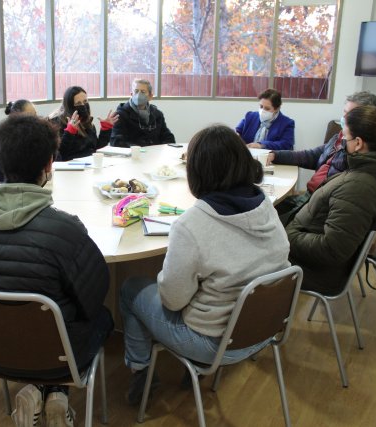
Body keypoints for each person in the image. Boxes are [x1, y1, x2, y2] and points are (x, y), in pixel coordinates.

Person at [0, 114, 114, 427]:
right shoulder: (64, 228)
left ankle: (43, 390)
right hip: (60, 357)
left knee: (42, 321)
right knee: (102, 316)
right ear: (49, 165)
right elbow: (94, 297)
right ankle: (56, 391)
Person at [119, 124, 290, 405]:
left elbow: (172, 301)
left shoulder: (192, 224)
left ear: (197, 172)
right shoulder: (265, 205)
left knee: (131, 288)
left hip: (213, 343)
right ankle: (187, 374)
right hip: (263, 329)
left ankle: (141, 371)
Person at [286, 106, 376, 296]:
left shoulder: (358, 188)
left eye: (345, 137)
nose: (342, 141)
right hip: (316, 253)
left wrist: (286, 236)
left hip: (314, 271)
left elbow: (331, 250)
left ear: (358, 143)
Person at [269, 91, 376, 225]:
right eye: (345, 112)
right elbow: (312, 155)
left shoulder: (359, 155)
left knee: (263, 223)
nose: (344, 118)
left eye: (351, 115)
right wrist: (275, 155)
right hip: (308, 198)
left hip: (318, 208)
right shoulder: (341, 137)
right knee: (264, 208)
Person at [48, 86, 118, 161]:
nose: (83, 105)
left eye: (85, 101)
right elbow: (60, 154)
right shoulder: (56, 123)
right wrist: (69, 132)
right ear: (69, 106)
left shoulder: (86, 121)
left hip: (89, 164)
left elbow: (95, 150)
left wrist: (105, 129)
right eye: (78, 103)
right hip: (70, 166)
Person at [110, 78, 176, 147]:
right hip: (134, 152)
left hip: (154, 152)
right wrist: (137, 149)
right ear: (131, 94)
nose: (139, 94)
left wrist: (163, 148)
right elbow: (116, 141)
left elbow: (168, 137)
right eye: (136, 91)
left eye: (143, 92)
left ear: (150, 96)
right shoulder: (120, 115)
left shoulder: (157, 115)